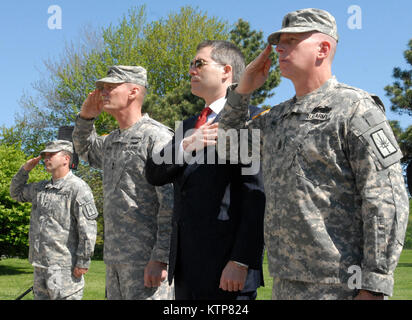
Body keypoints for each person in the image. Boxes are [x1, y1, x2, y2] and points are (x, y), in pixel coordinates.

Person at [217, 8, 410, 300]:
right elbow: (227, 146)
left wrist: (374, 284)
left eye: (292, 41)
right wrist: (242, 91)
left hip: (341, 285)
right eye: (279, 42)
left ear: (323, 48)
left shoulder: (355, 109)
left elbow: (386, 200)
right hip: (285, 281)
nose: (279, 48)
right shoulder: (277, 118)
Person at [145, 40, 265, 300]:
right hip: (187, 269)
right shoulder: (189, 125)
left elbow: (255, 194)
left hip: (227, 272)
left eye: (199, 63)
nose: (191, 71)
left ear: (227, 71)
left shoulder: (247, 120)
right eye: (190, 65)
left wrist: (241, 261)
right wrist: (186, 146)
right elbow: (154, 173)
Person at [72, 65, 174, 300]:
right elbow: (84, 149)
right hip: (115, 261)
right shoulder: (112, 141)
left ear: (133, 92)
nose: (103, 92)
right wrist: (86, 118)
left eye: (111, 87)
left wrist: (160, 257)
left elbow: (171, 203)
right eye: (102, 88)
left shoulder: (157, 137)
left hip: (146, 262)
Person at [10, 140, 98, 300]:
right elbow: (15, 193)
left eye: (51, 154)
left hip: (65, 269)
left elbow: (87, 229)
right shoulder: (40, 188)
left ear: (66, 158)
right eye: (44, 155)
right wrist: (25, 170)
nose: (46, 158)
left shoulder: (78, 188)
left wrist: (83, 261)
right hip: (40, 266)